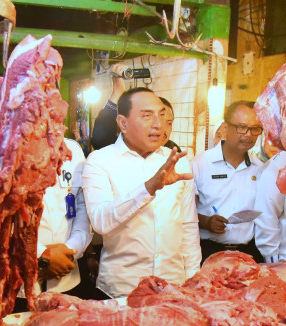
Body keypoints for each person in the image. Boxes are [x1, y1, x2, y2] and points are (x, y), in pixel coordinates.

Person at [82, 87, 201, 298]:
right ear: (123, 123)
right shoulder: (100, 162)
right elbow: (101, 222)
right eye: (147, 116)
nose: (158, 124)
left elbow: (188, 226)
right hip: (121, 289)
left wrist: (193, 279)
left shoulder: (178, 162)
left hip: (173, 287)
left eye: (162, 115)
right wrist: (148, 189)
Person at [12, 138, 96, 311]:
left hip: (67, 273)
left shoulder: (71, 148)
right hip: (18, 280)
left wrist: (71, 249)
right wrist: (41, 255)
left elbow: (82, 204)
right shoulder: (7, 144)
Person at [193, 101, 264, 263]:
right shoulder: (200, 164)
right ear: (225, 128)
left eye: (255, 129)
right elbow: (183, 213)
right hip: (208, 251)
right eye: (241, 127)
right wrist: (206, 222)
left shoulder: (260, 169)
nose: (248, 134)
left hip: (248, 253)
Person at [90, 63, 179, 151]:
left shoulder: (172, 150)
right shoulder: (122, 150)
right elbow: (100, 140)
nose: (159, 125)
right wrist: (118, 91)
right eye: (148, 116)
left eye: (169, 122)